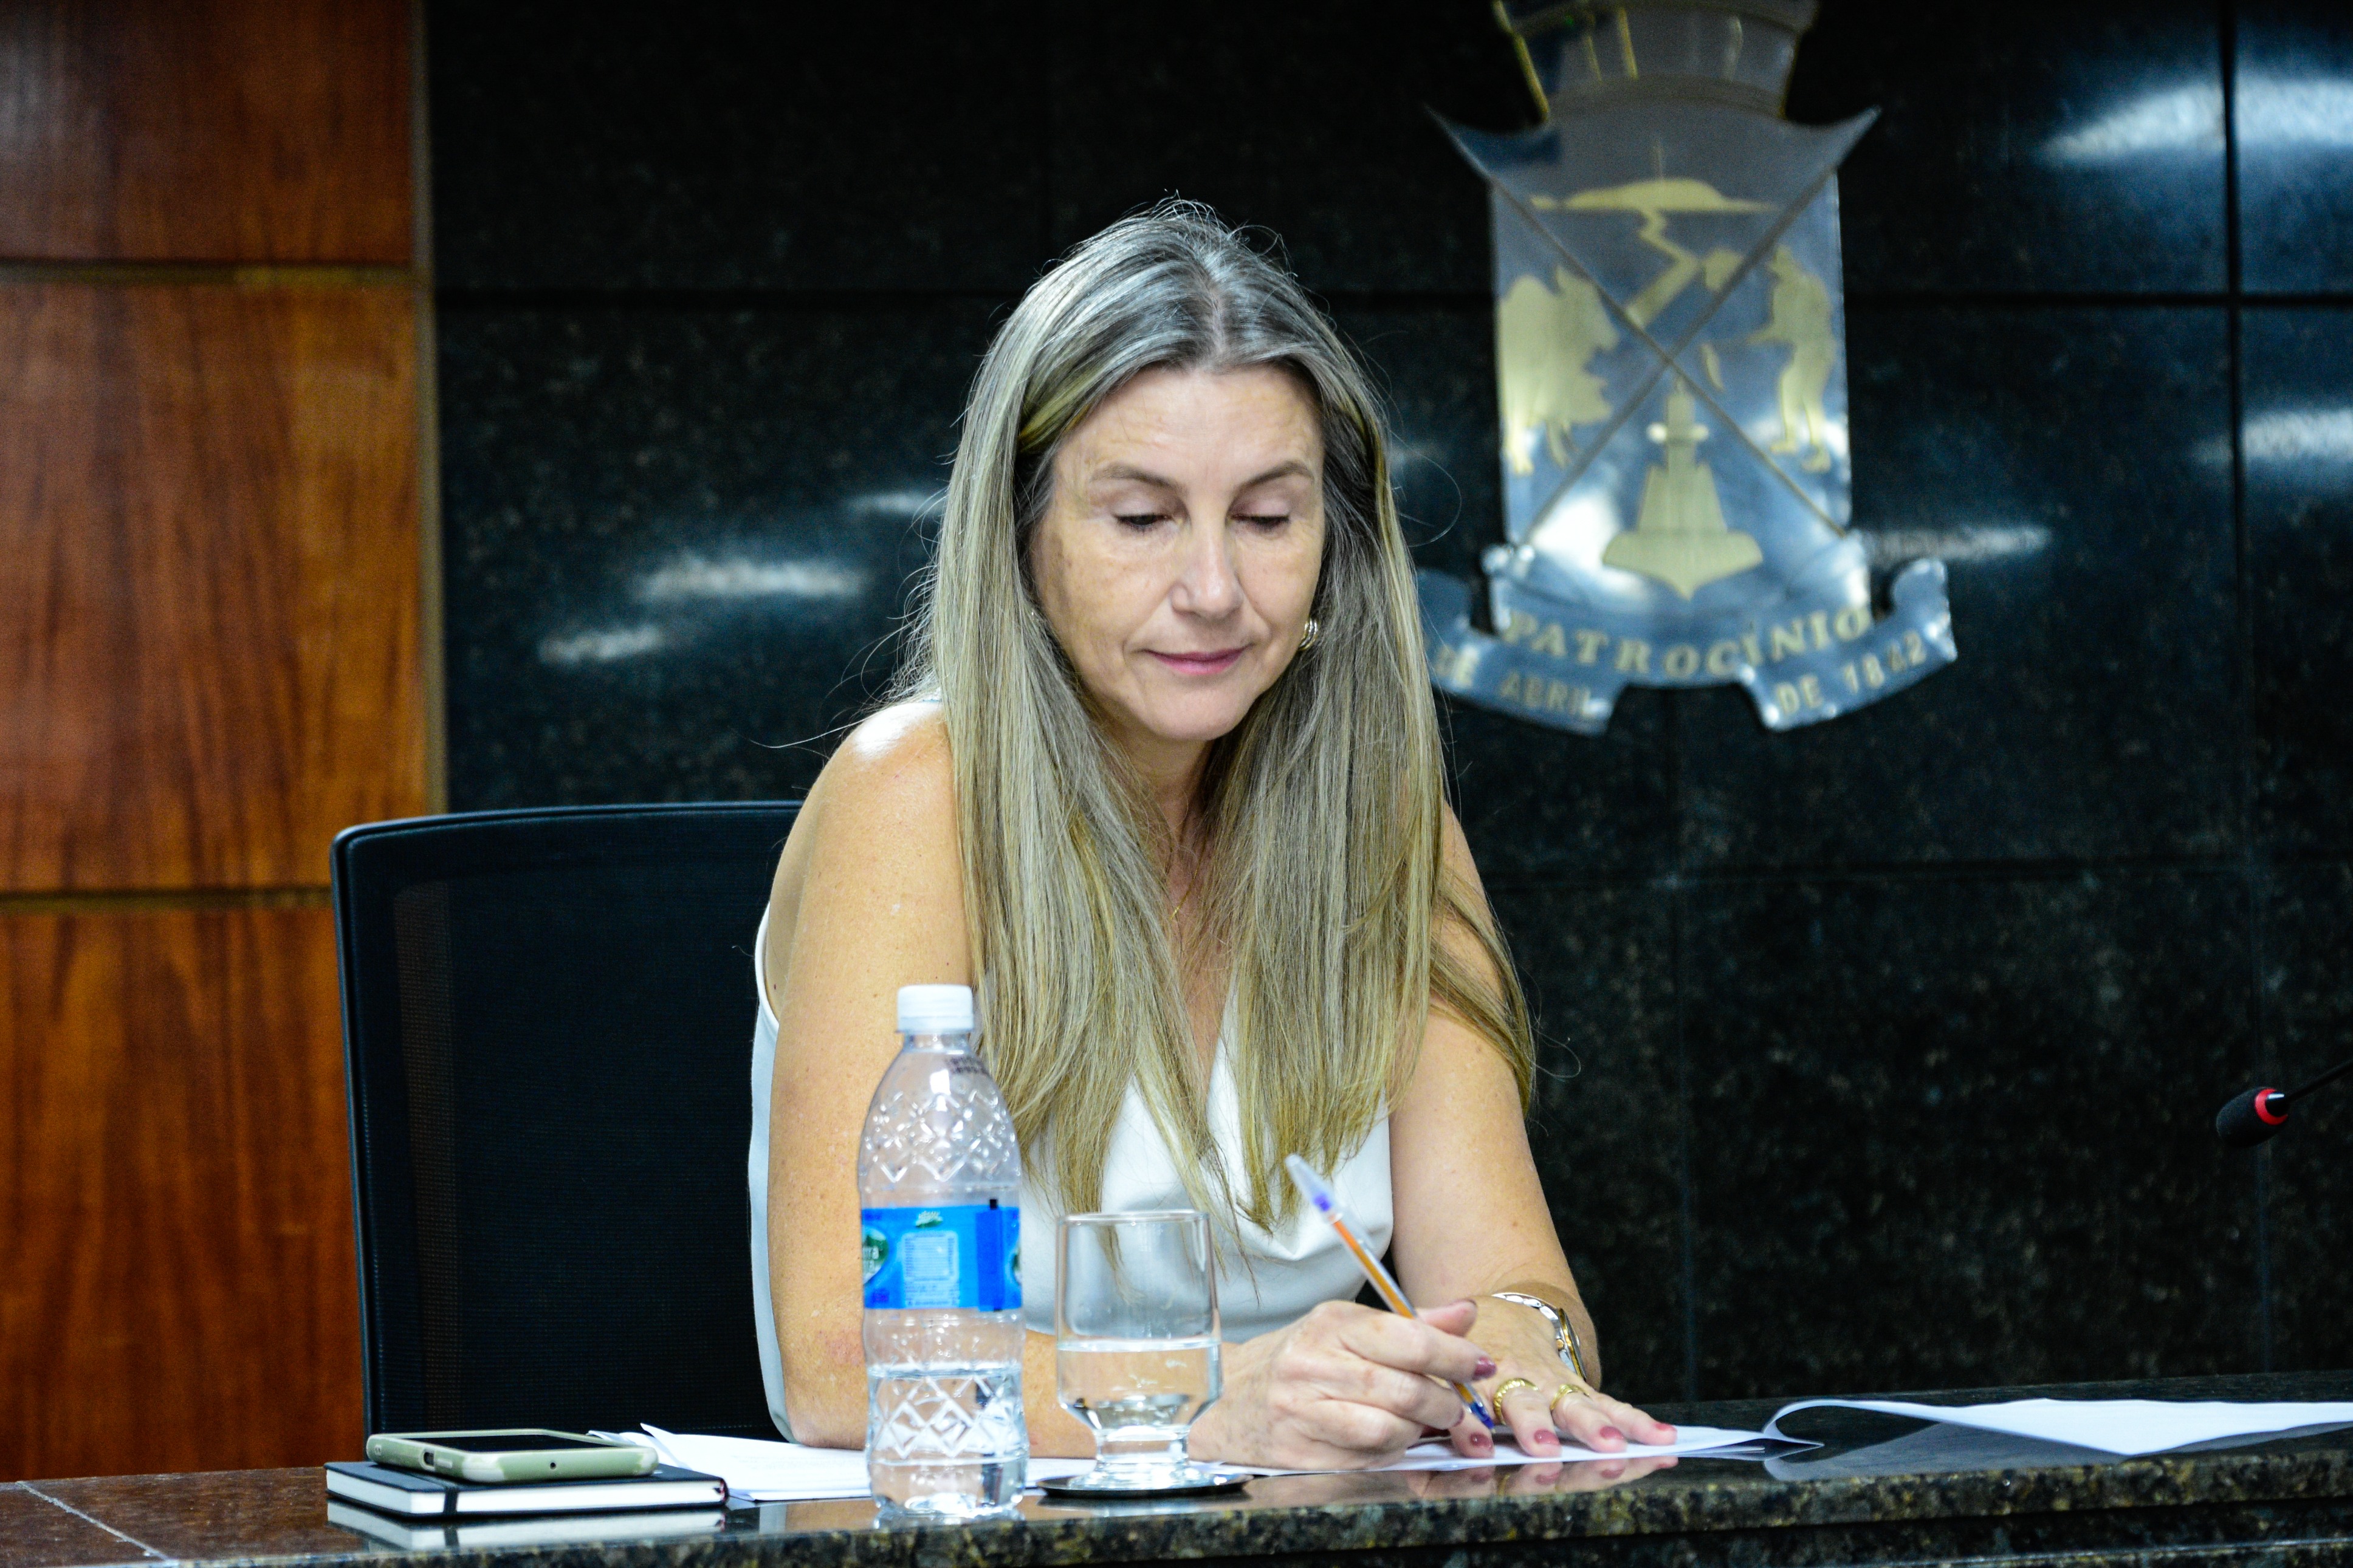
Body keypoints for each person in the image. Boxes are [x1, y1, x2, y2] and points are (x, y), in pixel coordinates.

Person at [748, 202, 1675, 1471]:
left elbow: (1510, 1279)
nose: (1213, 591)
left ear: (1337, 547)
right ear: (1021, 540)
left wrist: (1518, 1350)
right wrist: (1207, 1401)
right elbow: (841, 1364)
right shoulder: (913, 792)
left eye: (1268, 518)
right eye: (1141, 520)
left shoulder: (1385, 821)